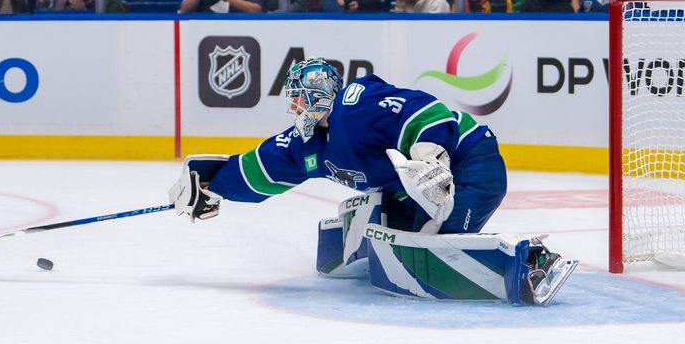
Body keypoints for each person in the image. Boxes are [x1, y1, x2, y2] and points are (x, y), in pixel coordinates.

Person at [167, 58, 574, 305]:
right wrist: (213, 182)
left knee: (439, 248)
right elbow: (261, 169)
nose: (293, 106)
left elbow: (426, 111)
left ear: (319, 95)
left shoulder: (356, 104)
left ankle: (532, 262)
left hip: (471, 163)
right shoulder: (306, 142)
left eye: (299, 97)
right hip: (418, 189)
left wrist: (428, 152)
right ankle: (364, 235)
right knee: (401, 241)